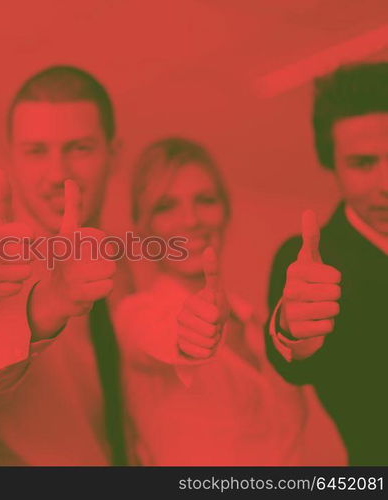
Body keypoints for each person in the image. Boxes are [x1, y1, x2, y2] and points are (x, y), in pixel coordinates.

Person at [0, 66, 127, 465]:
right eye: (36, 152)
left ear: (113, 154)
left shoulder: (127, 268)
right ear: (12, 158)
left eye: (79, 148)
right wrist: (45, 304)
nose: (58, 174)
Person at [114, 137, 345, 465]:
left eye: (205, 200)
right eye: (166, 207)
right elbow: (158, 340)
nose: (191, 220)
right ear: (142, 228)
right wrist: (188, 334)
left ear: (225, 210)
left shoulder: (258, 326)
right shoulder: (137, 315)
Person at [266, 62, 388, 465]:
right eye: (363, 164)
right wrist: (293, 331)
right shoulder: (314, 261)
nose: (385, 183)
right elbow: (295, 359)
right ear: (331, 165)